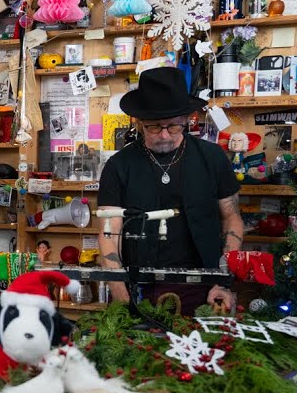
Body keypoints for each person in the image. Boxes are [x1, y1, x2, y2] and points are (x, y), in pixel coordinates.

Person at [97, 67, 243, 313]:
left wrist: (223, 282)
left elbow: (232, 218)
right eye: (154, 127)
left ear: (187, 119)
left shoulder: (213, 157)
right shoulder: (118, 166)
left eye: (173, 127)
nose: (164, 135)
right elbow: (108, 235)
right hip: (137, 287)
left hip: (203, 288)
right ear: (139, 122)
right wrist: (122, 296)